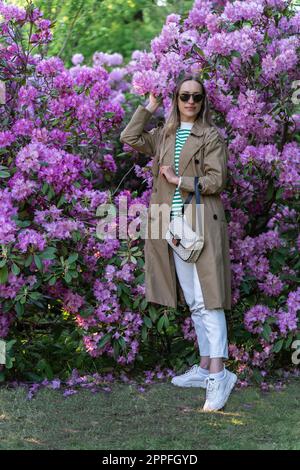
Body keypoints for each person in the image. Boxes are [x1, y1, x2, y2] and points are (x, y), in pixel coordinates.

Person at [120, 74, 237, 411]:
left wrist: (178, 179)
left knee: (210, 300)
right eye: (184, 96)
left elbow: (217, 180)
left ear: (203, 103)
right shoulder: (164, 134)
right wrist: (149, 107)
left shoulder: (211, 136)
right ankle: (204, 367)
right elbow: (129, 136)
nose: (190, 102)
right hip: (172, 228)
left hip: (199, 223)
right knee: (195, 302)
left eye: (196, 97)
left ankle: (220, 375)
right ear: (175, 99)